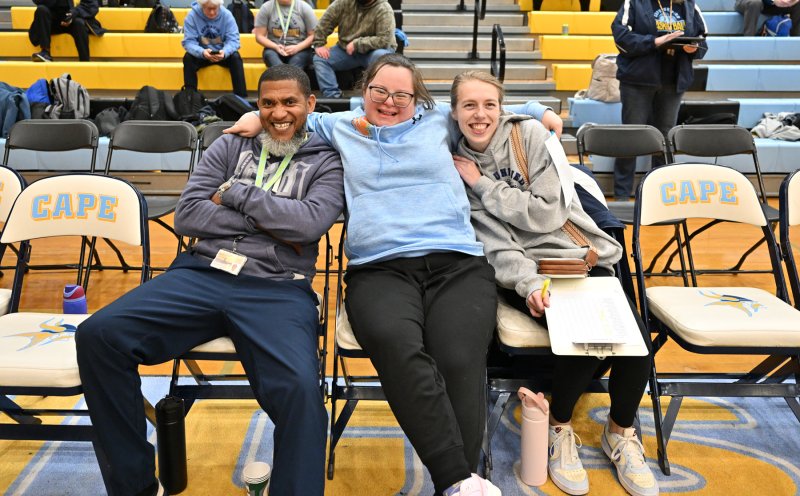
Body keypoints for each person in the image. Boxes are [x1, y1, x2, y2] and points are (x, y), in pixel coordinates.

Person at [227, 53, 563, 495]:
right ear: (363, 90)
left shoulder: (438, 119)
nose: (389, 102)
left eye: (402, 95)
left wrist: (544, 113)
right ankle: (460, 480)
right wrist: (255, 116)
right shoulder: (339, 125)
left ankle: (457, 483)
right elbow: (290, 114)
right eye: (380, 92)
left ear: (417, 97)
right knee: (394, 344)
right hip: (378, 267)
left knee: (459, 359)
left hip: (456, 261)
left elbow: (491, 106)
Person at [75, 65, 344, 496]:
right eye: (269, 103)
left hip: (277, 287)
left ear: (310, 104)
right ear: (258, 105)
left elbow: (309, 225)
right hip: (202, 272)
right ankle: (136, 486)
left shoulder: (327, 161)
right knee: (98, 335)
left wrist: (236, 193)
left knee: (301, 392)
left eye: (290, 102)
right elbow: (188, 214)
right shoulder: (229, 145)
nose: (279, 113)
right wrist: (274, 221)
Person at [450, 70, 658, 496]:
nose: (479, 114)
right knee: (582, 338)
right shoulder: (453, 166)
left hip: (577, 257)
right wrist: (528, 285)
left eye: (489, 104)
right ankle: (559, 428)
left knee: (636, 342)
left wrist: (485, 185)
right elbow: (496, 245)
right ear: (454, 113)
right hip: (527, 269)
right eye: (468, 105)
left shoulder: (528, 136)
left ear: (502, 107)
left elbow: (548, 213)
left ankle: (620, 432)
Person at [611, 0, 707, 201]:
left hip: (673, 82)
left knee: (664, 139)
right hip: (638, 81)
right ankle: (621, 194)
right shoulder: (635, 3)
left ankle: (657, 193)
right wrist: (654, 42)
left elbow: (702, 41)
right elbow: (621, 38)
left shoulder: (689, 5)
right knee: (632, 136)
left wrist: (694, 49)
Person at [310, 0, 396, 98]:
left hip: (374, 51)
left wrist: (357, 44)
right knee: (320, 59)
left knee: (381, 56)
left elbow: (384, 40)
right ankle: (333, 97)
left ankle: (378, 96)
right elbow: (325, 22)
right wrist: (319, 43)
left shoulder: (384, 8)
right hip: (346, 50)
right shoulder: (342, 2)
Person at [182, 0, 248, 98]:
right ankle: (190, 97)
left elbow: (234, 41)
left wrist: (225, 52)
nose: (212, 12)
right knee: (188, 58)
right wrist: (202, 52)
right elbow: (188, 42)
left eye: (215, 8)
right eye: (209, 9)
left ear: (219, 6)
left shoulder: (227, 15)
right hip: (202, 54)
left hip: (222, 53)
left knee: (235, 57)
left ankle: (241, 98)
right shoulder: (192, 16)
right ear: (202, 6)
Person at [28, 0, 106, 62]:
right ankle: (45, 52)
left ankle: (84, 61)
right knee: (41, 10)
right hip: (51, 21)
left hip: (74, 18)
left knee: (79, 23)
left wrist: (74, 12)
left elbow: (92, 5)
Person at [254, 0, 318, 69]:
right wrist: (275, 47)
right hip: (274, 48)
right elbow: (259, 36)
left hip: (300, 49)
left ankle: (285, 76)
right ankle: (284, 75)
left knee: (294, 66)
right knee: (271, 57)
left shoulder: (304, 7)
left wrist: (297, 48)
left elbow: (313, 35)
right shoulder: (266, 7)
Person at [735, 0, 800, 36]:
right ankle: (748, 41)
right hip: (749, 2)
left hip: (771, 5)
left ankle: (795, 40)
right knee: (755, 3)